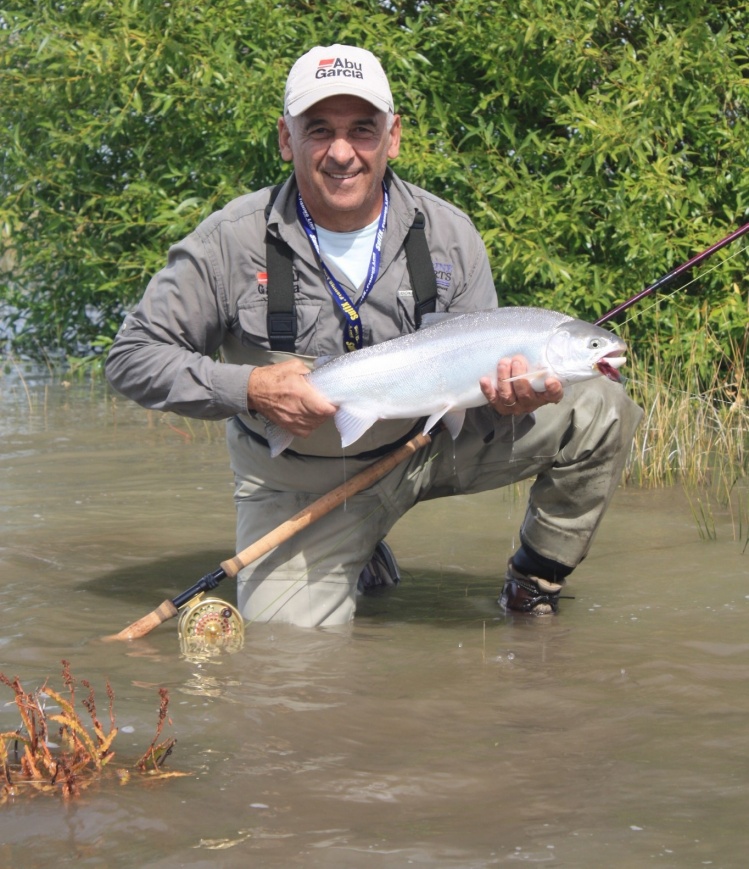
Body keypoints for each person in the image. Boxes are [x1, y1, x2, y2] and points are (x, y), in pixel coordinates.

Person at [105, 43, 642, 627]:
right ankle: (357, 545)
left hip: (429, 449)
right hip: (301, 480)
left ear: (393, 137)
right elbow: (131, 359)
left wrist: (515, 401)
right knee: (291, 671)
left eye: (363, 129)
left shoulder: (448, 235)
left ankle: (534, 581)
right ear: (286, 139)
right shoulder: (228, 242)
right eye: (318, 130)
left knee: (602, 408)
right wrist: (253, 388)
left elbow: (485, 407)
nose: (342, 152)